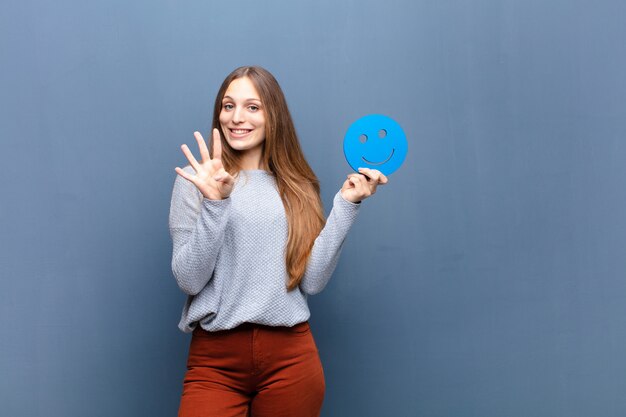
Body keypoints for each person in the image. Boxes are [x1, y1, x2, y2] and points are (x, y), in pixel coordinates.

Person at [169, 66, 388, 417]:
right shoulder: (197, 180)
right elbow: (189, 279)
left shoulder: (298, 185)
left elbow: (312, 281)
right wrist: (215, 203)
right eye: (228, 106)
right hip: (215, 360)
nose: (237, 117)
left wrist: (347, 205)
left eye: (252, 107)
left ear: (274, 114)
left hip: (290, 358)